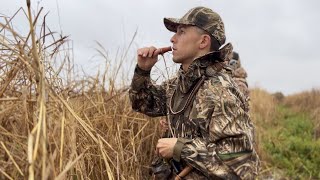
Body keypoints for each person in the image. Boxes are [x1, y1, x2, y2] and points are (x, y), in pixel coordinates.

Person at [129, 6, 259, 179]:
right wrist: (143, 71)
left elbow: (241, 169)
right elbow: (144, 104)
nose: (173, 38)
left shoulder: (221, 92)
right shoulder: (179, 84)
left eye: (181, 32)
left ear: (203, 42)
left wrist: (180, 148)